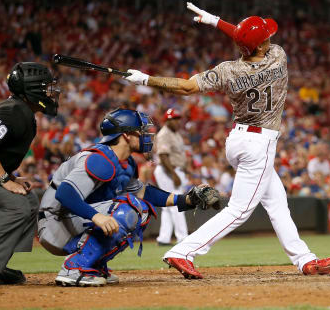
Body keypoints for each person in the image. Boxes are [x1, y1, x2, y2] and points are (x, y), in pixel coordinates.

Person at [124, 2, 330, 279]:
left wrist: (145, 79)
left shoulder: (228, 70)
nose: (270, 39)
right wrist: (218, 22)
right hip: (259, 144)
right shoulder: (278, 56)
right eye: (266, 37)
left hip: (238, 140)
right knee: (239, 211)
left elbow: (187, 86)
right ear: (262, 45)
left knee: (277, 203)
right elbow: (251, 40)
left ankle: (305, 260)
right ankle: (183, 251)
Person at [37, 108, 220, 287]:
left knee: (143, 209)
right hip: (55, 222)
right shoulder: (99, 158)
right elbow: (65, 193)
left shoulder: (125, 163)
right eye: (140, 132)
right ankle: (74, 268)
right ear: (126, 136)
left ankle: (93, 264)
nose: (146, 136)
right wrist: (96, 216)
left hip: (71, 220)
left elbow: (144, 193)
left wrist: (187, 200)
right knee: (130, 208)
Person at [0, 62, 60, 289]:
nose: (50, 92)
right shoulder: (15, 110)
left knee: (28, 199)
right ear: (31, 91)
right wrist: (3, 179)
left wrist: (10, 178)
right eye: (45, 88)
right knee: (16, 205)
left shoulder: (20, 110)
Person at [154, 108, 189, 246]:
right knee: (176, 203)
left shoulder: (176, 134)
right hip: (167, 171)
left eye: (178, 119)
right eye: (174, 119)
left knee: (168, 206)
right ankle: (183, 238)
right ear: (167, 120)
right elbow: (163, 156)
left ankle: (163, 238)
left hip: (174, 170)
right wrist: (174, 174)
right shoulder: (164, 134)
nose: (177, 121)